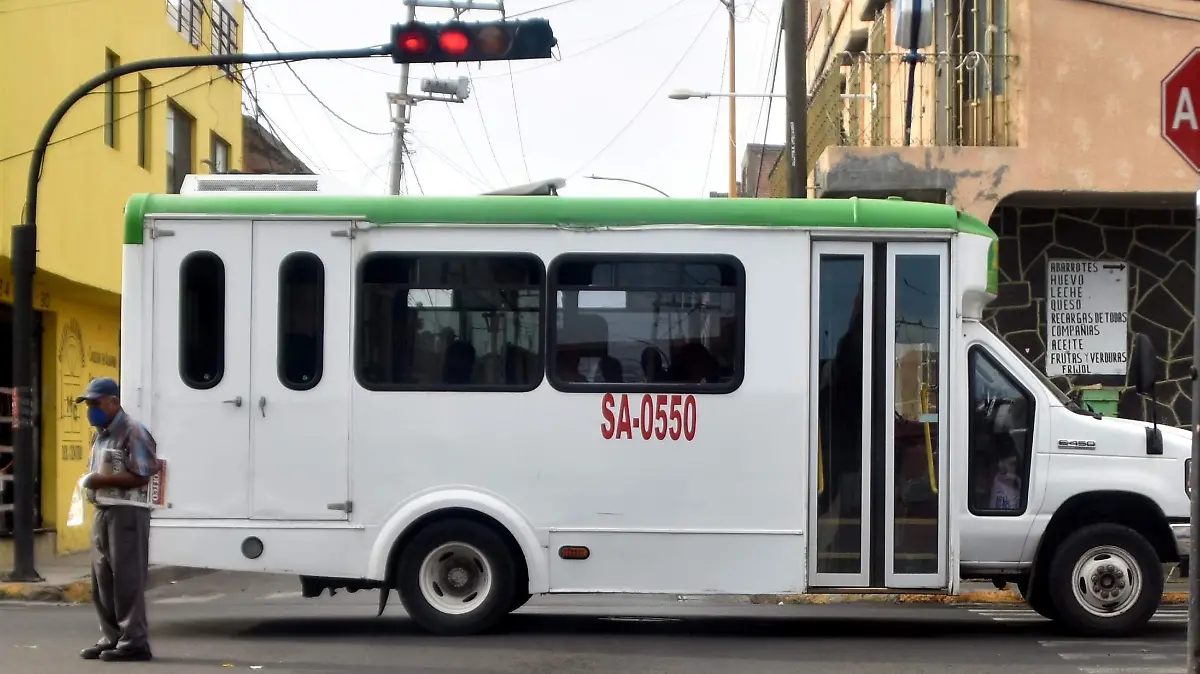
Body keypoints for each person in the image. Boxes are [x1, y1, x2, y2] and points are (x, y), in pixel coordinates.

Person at [75, 377, 160, 662]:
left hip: (127, 512)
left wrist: (100, 479)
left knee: (127, 578)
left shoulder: (133, 431)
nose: (91, 410)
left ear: (113, 402)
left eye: (96, 403)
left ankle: (134, 641)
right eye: (88, 404)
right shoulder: (101, 432)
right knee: (102, 579)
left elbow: (143, 473)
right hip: (104, 510)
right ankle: (111, 636)